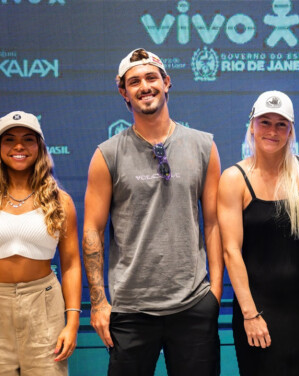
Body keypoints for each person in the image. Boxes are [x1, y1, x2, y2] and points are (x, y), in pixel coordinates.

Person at [83, 48, 222, 376]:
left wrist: (214, 292)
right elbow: (92, 231)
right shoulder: (107, 154)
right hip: (130, 308)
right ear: (124, 92)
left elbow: (215, 223)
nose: (144, 86)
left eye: (151, 78)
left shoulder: (204, 146)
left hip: (193, 305)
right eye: (134, 82)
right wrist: (99, 302)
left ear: (167, 82)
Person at [0, 111, 82, 376]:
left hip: (44, 304)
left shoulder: (61, 201)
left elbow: (71, 265)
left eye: (28, 139)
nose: (18, 146)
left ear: (39, 147)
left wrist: (73, 321)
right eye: (9, 140)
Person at [217, 91, 299, 375]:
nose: (272, 131)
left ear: (291, 130)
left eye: (281, 124)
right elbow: (230, 252)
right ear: (252, 125)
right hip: (258, 310)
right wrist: (250, 314)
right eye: (265, 122)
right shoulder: (234, 179)